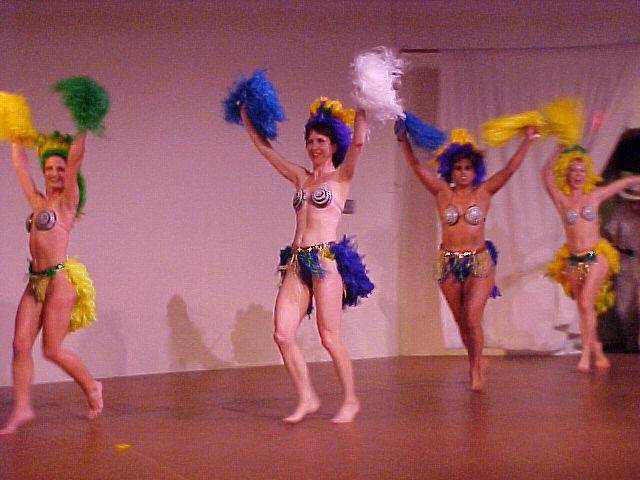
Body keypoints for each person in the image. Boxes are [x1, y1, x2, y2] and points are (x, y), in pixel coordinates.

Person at [240, 97, 372, 423]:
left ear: (333, 145)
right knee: (282, 334)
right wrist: (245, 116)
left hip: (324, 261)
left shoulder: (341, 178)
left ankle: (351, 399)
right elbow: (267, 151)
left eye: (321, 141)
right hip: (297, 262)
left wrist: (363, 106)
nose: (314, 147)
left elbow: (358, 142)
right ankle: (307, 396)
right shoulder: (301, 178)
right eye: (310, 141)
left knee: (328, 337)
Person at [396, 125, 538, 390]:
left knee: (472, 318)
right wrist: (403, 141)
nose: (463, 172)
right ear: (450, 169)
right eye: (458, 167)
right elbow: (417, 168)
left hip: (478, 261)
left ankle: (475, 367)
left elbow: (509, 170)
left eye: (468, 168)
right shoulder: (442, 192)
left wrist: (527, 140)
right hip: (448, 262)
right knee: (461, 321)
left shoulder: (483, 192)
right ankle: (477, 359)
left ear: (476, 170)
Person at [1, 132, 102, 434]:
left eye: (61, 168)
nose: (56, 173)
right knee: (20, 345)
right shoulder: (37, 201)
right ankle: (22, 407)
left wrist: (83, 124)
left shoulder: (67, 203)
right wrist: (14, 134)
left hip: (59, 281)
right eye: (50, 168)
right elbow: (20, 166)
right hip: (35, 281)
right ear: (44, 171)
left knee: (52, 349)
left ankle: (92, 386)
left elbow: (76, 158)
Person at [544, 145, 640, 371]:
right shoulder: (562, 200)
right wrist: (558, 147)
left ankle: (586, 354)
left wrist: (636, 178)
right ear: (566, 173)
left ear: (586, 173)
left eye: (581, 170)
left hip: (596, 255)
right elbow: (545, 175)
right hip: (573, 259)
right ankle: (596, 349)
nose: (578, 175)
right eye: (573, 170)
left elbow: (623, 184)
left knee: (586, 302)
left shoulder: (594, 196)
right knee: (584, 307)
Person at [603, 182, 640, 353]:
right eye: (632, 201)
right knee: (624, 307)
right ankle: (631, 342)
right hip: (626, 261)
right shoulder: (620, 211)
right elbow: (609, 238)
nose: (635, 206)